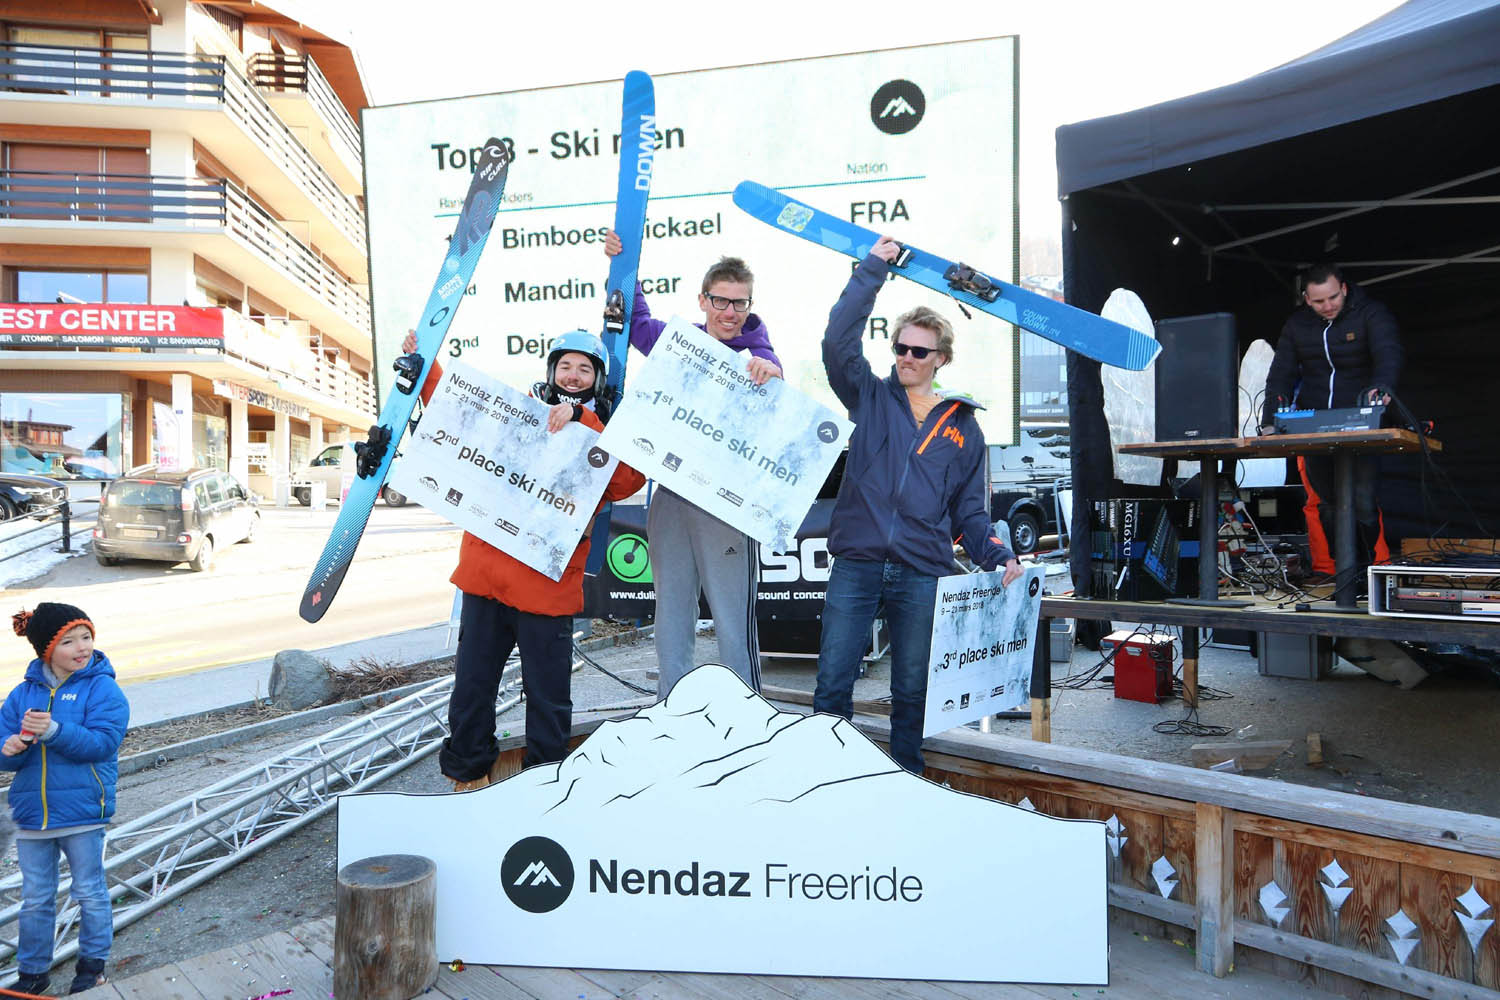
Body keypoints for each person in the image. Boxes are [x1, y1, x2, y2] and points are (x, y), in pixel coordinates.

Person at [814, 236, 1022, 774]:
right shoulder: (869, 396)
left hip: (921, 570)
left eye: (918, 352)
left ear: (940, 359)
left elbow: (970, 513)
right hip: (857, 562)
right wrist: (872, 272)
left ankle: (907, 776)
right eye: (900, 348)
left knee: (912, 689)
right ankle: (823, 776)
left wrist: (999, 556)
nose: (906, 358)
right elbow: (837, 341)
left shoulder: (964, 428)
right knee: (833, 682)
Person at [404, 329, 646, 790]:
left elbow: (627, 481)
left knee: (548, 696)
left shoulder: (604, 434)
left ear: (596, 381)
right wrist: (427, 364)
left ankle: (545, 784)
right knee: (472, 687)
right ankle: (467, 774)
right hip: (487, 579)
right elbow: (459, 416)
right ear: (551, 370)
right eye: (565, 366)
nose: (573, 376)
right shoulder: (520, 411)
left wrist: (582, 420)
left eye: (585, 369)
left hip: (546, 590)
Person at [603, 230, 782, 696]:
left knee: (731, 618)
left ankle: (747, 712)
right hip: (672, 495)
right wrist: (624, 266)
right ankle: (672, 708)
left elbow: (776, 390)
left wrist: (772, 373)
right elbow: (637, 324)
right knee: (672, 611)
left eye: (739, 303)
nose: (729, 312)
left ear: (749, 305)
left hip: (726, 505)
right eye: (720, 301)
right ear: (703, 300)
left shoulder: (756, 355)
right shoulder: (679, 342)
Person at [4, 603, 129, 995]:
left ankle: (91, 970)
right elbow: (4, 750)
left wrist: (54, 731)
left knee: (89, 892)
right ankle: (32, 975)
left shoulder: (102, 688)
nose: (82, 647)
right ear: (46, 649)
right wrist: (10, 747)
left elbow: (103, 743)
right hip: (32, 816)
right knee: (35, 898)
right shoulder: (21, 695)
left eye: (86, 637)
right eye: (69, 641)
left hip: (83, 812)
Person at [1260, 262, 1403, 590]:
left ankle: (1369, 572)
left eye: (1333, 298)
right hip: (1315, 426)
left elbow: (1389, 354)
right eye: (1318, 301)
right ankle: (1344, 573)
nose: (1327, 306)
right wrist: (1270, 420)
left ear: (1344, 289)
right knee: (1327, 503)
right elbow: (1281, 373)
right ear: (1306, 299)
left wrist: (1382, 388)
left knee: (1362, 500)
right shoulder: (1297, 325)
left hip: (1362, 425)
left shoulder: (1371, 313)